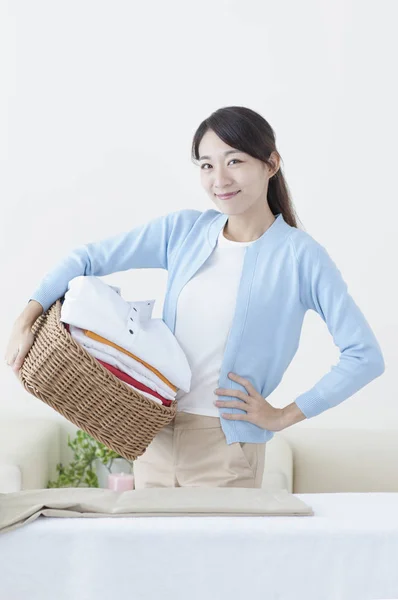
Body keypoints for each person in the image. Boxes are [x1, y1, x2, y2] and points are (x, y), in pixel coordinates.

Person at [4, 106, 385, 489]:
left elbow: (364, 355)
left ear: (271, 164)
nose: (220, 179)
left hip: (227, 451)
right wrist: (26, 318)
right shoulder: (184, 231)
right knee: (147, 551)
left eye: (234, 161)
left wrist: (283, 415)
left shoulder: (300, 256)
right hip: (154, 439)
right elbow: (85, 259)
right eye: (206, 165)